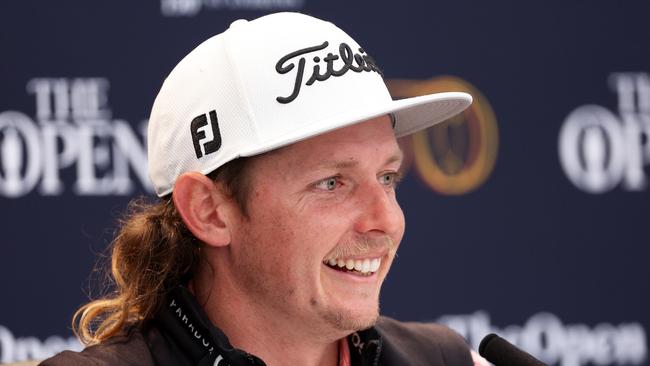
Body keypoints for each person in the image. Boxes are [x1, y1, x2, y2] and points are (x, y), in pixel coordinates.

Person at [41, 12, 486, 366]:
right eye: (331, 183)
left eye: (387, 178)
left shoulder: (441, 358)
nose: (386, 220)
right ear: (209, 211)